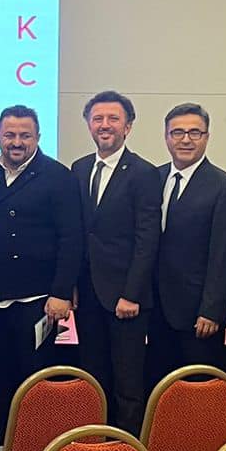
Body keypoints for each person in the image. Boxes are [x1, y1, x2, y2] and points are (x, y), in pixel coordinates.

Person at [0, 105, 79, 443]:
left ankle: (33, 448)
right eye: (9, 135)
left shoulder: (58, 176)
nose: (16, 142)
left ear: (38, 137)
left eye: (25, 136)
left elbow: (71, 239)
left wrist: (61, 293)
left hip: (39, 300)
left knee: (34, 379)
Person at [70, 91, 160, 432]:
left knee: (128, 380)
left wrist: (132, 294)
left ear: (128, 126)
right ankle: (95, 440)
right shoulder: (79, 169)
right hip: (88, 294)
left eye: (113, 119)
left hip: (126, 298)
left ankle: (127, 445)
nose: (104, 125)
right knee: (93, 375)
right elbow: (78, 233)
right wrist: (71, 285)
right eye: (98, 119)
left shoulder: (144, 173)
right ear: (88, 125)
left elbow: (147, 239)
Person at [149, 103, 226, 384]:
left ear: (206, 137)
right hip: (155, 309)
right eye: (177, 132)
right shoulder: (153, 178)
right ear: (166, 137)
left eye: (194, 133)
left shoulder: (224, 186)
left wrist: (212, 310)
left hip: (198, 315)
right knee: (159, 386)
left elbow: (223, 255)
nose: (185, 140)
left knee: (198, 390)